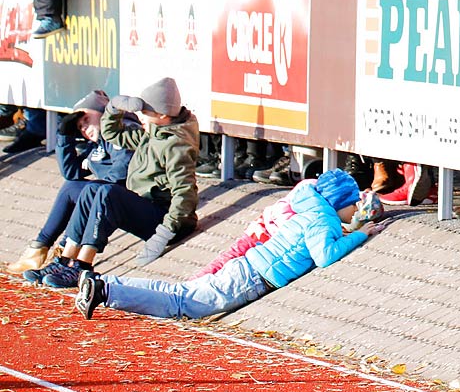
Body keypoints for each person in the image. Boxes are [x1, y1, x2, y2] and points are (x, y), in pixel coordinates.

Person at [75, 169, 384, 322]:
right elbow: (325, 255)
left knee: (180, 296)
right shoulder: (324, 219)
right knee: (181, 302)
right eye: (353, 201)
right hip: (251, 278)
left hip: (247, 267)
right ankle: (105, 290)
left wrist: (351, 230)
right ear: (338, 200)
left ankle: (106, 287)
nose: (356, 207)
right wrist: (361, 235)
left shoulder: (313, 211)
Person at [27, 77, 199, 288]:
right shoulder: (153, 132)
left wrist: (165, 232)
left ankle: (82, 265)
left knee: (107, 193)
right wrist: (115, 107)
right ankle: (64, 260)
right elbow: (111, 133)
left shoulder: (175, 144)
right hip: (149, 207)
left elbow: (185, 193)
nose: (139, 117)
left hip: (167, 221)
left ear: (162, 115)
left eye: (145, 113)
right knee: (92, 189)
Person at [7, 91, 134, 276]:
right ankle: (40, 249)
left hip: (137, 202)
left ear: (103, 113)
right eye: (79, 127)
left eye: (86, 120)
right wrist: (64, 136)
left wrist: (91, 191)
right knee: (72, 187)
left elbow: (120, 177)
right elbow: (71, 173)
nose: (84, 129)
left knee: (90, 191)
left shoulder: (122, 131)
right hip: (111, 197)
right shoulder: (97, 143)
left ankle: (68, 257)